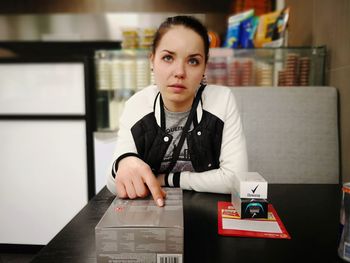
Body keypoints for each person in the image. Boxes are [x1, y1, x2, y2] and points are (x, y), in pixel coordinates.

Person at [106, 15, 248, 206]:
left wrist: (166, 179)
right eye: (167, 57)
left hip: (208, 215)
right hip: (153, 220)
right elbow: (114, 185)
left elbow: (235, 180)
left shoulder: (222, 101)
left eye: (193, 61)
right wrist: (124, 163)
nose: (179, 71)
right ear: (152, 60)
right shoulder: (137, 105)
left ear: (205, 66)